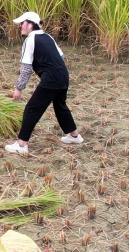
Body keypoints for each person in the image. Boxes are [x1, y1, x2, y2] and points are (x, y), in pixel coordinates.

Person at [5, 11, 83, 154]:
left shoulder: (30, 40)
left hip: (52, 79)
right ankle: (74, 136)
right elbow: (61, 56)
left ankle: (22, 145)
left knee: (32, 108)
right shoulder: (47, 37)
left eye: (22, 23)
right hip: (63, 75)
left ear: (30, 24)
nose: (21, 26)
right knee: (60, 105)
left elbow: (26, 68)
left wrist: (19, 88)